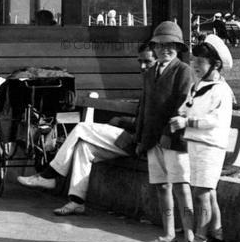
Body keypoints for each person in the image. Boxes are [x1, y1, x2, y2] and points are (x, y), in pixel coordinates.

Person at [17, 43, 157, 214]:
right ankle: (77, 201)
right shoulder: (150, 82)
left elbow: (151, 121)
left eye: (147, 62)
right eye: (140, 62)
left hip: (138, 142)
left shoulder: (158, 84)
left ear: (159, 60)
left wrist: (124, 123)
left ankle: (49, 175)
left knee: (82, 128)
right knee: (84, 149)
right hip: (132, 138)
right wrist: (122, 121)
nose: (142, 66)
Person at [170, 35, 234, 242]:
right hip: (196, 145)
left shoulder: (221, 91)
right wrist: (181, 113)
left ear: (215, 65)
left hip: (211, 147)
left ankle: (199, 241)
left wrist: (186, 122)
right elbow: (187, 106)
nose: (195, 65)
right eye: (194, 60)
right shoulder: (199, 86)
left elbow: (214, 121)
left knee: (201, 194)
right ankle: (217, 237)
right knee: (209, 193)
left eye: (201, 61)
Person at [135, 21, 194, 242]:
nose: (165, 49)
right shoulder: (150, 72)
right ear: (154, 47)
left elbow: (183, 106)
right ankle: (168, 234)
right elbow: (145, 106)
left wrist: (168, 135)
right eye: (160, 45)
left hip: (174, 141)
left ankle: (190, 237)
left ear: (178, 48)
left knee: (181, 187)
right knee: (162, 186)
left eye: (171, 45)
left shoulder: (184, 71)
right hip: (152, 140)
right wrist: (141, 139)